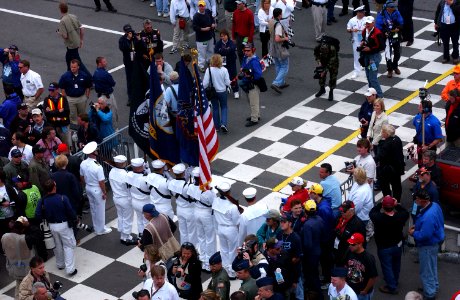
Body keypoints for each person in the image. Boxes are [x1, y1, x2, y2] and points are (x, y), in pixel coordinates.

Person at [35, 179, 77, 276]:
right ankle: (70, 269)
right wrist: (75, 218)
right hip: (64, 224)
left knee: (57, 245)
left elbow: (38, 215)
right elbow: (71, 212)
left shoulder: (42, 200)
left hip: (52, 226)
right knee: (68, 246)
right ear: (54, 187)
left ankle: (60, 264)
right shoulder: (63, 198)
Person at [408, 190, 444, 300]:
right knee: (432, 267)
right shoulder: (435, 206)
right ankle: (434, 287)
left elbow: (425, 235)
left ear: (421, 200)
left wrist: (414, 232)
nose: (415, 201)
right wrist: (418, 228)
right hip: (435, 242)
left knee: (426, 271)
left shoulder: (428, 216)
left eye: (416, 199)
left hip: (427, 245)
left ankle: (430, 294)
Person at [369, 195, 409, 295]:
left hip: (384, 247)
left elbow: (372, 212)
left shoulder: (378, 218)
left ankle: (391, 287)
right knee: (396, 265)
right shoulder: (399, 217)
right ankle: (394, 281)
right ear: (393, 206)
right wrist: (397, 205)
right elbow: (405, 213)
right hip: (397, 245)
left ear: (383, 206)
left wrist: (380, 204)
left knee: (387, 267)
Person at [187, 167, 216, 272]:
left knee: (201, 237)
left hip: (196, 212)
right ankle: (209, 263)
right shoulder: (208, 192)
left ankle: (203, 259)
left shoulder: (191, 187)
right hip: (206, 214)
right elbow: (213, 202)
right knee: (210, 239)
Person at [79, 141, 111, 235]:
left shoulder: (83, 163)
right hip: (97, 189)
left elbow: (81, 177)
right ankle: (100, 230)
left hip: (88, 187)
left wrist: (87, 185)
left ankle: (97, 226)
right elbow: (101, 182)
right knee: (100, 210)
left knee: (93, 209)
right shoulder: (98, 166)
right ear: (94, 152)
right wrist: (104, 192)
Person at [308, 183, 335, 287]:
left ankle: (328, 280)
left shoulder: (323, 209)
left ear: (316, 194)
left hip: (325, 239)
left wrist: (322, 239)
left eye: (311, 192)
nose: (309, 194)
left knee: (326, 260)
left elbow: (326, 226)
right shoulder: (321, 204)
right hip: (325, 238)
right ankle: (326, 276)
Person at [213, 182, 240, 277]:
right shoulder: (232, 206)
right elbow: (237, 221)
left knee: (223, 250)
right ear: (229, 192)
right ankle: (232, 272)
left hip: (220, 228)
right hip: (230, 229)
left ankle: (224, 270)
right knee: (233, 250)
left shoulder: (215, 201)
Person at [109, 155, 137, 246]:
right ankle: (126, 237)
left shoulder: (112, 171)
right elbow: (129, 188)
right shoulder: (125, 174)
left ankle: (122, 235)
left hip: (116, 198)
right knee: (127, 218)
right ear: (123, 163)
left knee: (121, 216)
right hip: (125, 199)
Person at [57, 2, 90, 76]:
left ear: (60, 10)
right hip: (76, 42)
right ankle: (69, 75)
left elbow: (65, 36)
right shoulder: (73, 16)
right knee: (68, 59)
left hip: (71, 44)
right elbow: (82, 29)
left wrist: (59, 32)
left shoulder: (62, 21)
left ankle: (89, 79)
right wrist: (81, 40)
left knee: (78, 63)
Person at [301, 200, 325, 299]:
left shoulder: (307, 225)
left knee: (312, 275)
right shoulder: (319, 219)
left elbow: (307, 244)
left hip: (310, 255)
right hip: (318, 249)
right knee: (315, 273)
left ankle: (317, 295)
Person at [344, 233, 378, 299]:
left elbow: (373, 277)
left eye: (353, 244)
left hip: (361, 293)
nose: (350, 246)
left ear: (360, 244)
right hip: (350, 289)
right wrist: (345, 280)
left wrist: (365, 290)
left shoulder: (368, 258)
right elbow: (345, 266)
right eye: (349, 243)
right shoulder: (349, 252)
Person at [376, 124, 405, 201]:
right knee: (397, 186)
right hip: (397, 167)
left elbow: (381, 156)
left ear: (386, 133)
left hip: (387, 169)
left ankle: (388, 200)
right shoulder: (397, 139)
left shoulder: (387, 144)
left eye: (383, 132)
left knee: (385, 186)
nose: (381, 133)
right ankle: (397, 201)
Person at [58, 59, 92, 125]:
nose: (72, 68)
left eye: (74, 67)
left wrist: (86, 96)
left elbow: (88, 86)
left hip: (81, 98)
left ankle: (83, 127)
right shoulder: (65, 76)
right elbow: (62, 88)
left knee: (82, 115)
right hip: (70, 99)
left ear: (78, 67)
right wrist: (66, 98)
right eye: (71, 67)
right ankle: (75, 131)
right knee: (72, 116)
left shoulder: (84, 75)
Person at [203, 54, 231, 132]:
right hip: (222, 91)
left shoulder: (209, 70)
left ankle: (216, 126)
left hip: (213, 92)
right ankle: (223, 124)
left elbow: (205, 83)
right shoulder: (224, 70)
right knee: (224, 107)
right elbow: (227, 82)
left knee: (215, 108)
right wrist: (230, 83)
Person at [375, 1, 403, 78]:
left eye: (394, 7)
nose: (393, 8)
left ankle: (395, 66)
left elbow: (401, 21)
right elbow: (378, 26)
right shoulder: (382, 14)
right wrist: (384, 32)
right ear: (387, 8)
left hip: (395, 34)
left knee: (397, 52)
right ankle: (389, 69)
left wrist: (399, 28)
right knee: (388, 53)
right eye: (392, 7)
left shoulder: (396, 12)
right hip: (386, 35)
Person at [168, 163, 195, 244]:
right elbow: (194, 196)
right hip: (189, 210)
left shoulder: (171, 183)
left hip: (179, 209)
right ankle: (191, 249)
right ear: (183, 173)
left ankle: (183, 247)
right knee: (191, 232)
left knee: (183, 231)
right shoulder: (187, 186)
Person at [359, 16, 385, 98]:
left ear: (373, 23)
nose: (367, 25)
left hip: (374, 58)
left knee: (373, 77)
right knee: (368, 75)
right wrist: (362, 42)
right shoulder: (364, 31)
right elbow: (363, 39)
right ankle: (371, 93)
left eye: (369, 23)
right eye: (366, 23)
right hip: (366, 56)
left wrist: (370, 49)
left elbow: (382, 47)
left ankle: (380, 96)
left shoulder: (378, 33)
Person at [334, 201, 366, 266]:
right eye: (341, 210)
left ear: (351, 211)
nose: (342, 212)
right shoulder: (340, 218)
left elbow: (362, 243)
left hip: (348, 256)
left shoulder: (358, 224)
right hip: (338, 251)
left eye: (344, 211)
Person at [239, 43, 263, 127]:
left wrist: (250, 76)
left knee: (253, 102)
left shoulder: (255, 61)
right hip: (247, 83)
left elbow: (259, 74)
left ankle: (254, 119)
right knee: (250, 100)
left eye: (248, 51)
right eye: (245, 50)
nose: (246, 52)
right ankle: (256, 115)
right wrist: (243, 69)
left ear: (253, 50)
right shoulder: (246, 58)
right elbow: (243, 65)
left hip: (253, 84)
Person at [128, 158, 152, 237]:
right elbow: (151, 186)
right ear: (141, 166)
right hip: (144, 202)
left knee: (139, 219)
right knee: (146, 221)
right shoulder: (145, 178)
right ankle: (146, 238)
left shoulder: (129, 175)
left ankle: (140, 235)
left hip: (134, 201)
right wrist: (148, 170)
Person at [268, 8, 290, 94]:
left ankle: (281, 82)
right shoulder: (278, 25)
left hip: (272, 47)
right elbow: (277, 38)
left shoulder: (271, 21)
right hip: (279, 48)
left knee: (277, 65)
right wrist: (285, 38)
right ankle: (276, 82)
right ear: (279, 15)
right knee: (284, 66)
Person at [93, 56, 119, 128]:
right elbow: (113, 83)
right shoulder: (105, 74)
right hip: (108, 97)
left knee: (103, 114)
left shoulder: (95, 73)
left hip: (100, 96)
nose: (106, 63)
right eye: (104, 62)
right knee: (113, 114)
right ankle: (115, 131)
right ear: (99, 64)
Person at [43, 82, 71, 147]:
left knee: (66, 143)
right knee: (54, 144)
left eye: (52, 90)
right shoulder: (47, 99)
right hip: (52, 125)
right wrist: (59, 111)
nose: (50, 92)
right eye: (49, 90)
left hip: (63, 124)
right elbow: (47, 114)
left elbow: (66, 112)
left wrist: (51, 112)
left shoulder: (63, 98)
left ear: (57, 90)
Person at [214, 29, 239, 99]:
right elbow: (216, 51)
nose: (223, 37)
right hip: (222, 63)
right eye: (221, 36)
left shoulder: (231, 42)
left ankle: (235, 91)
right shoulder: (218, 43)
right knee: (222, 77)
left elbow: (232, 49)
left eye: (224, 36)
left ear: (227, 36)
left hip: (231, 62)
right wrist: (227, 50)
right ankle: (224, 90)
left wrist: (223, 50)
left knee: (233, 76)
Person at [313, 36, 340, 101]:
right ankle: (322, 89)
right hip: (323, 61)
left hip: (333, 63)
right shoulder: (319, 47)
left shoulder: (332, 49)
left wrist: (324, 71)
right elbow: (316, 54)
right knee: (321, 76)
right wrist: (319, 61)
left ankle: (331, 91)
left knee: (333, 77)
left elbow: (331, 61)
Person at [192, 0, 216, 72]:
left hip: (210, 36)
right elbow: (194, 27)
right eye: (200, 6)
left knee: (210, 51)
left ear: (205, 6)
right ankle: (201, 66)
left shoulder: (208, 12)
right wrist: (203, 29)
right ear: (198, 6)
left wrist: (213, 24)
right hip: (201, 39)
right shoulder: (196, 16)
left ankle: (210, 62)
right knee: (202, 53)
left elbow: (212, 20)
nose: (201, 7)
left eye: (203, 6)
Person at [347, 6, 367, 79]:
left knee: (367, 55)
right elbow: (348, 29)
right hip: (356, 39)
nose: (362, 14)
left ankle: (367, 71)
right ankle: (356, 71)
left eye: (363, 12)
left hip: (365, 39)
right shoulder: (352, 20)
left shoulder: (366, 19)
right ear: (357, 13)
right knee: (356, 55)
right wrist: (352, 30)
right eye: (361, 13)